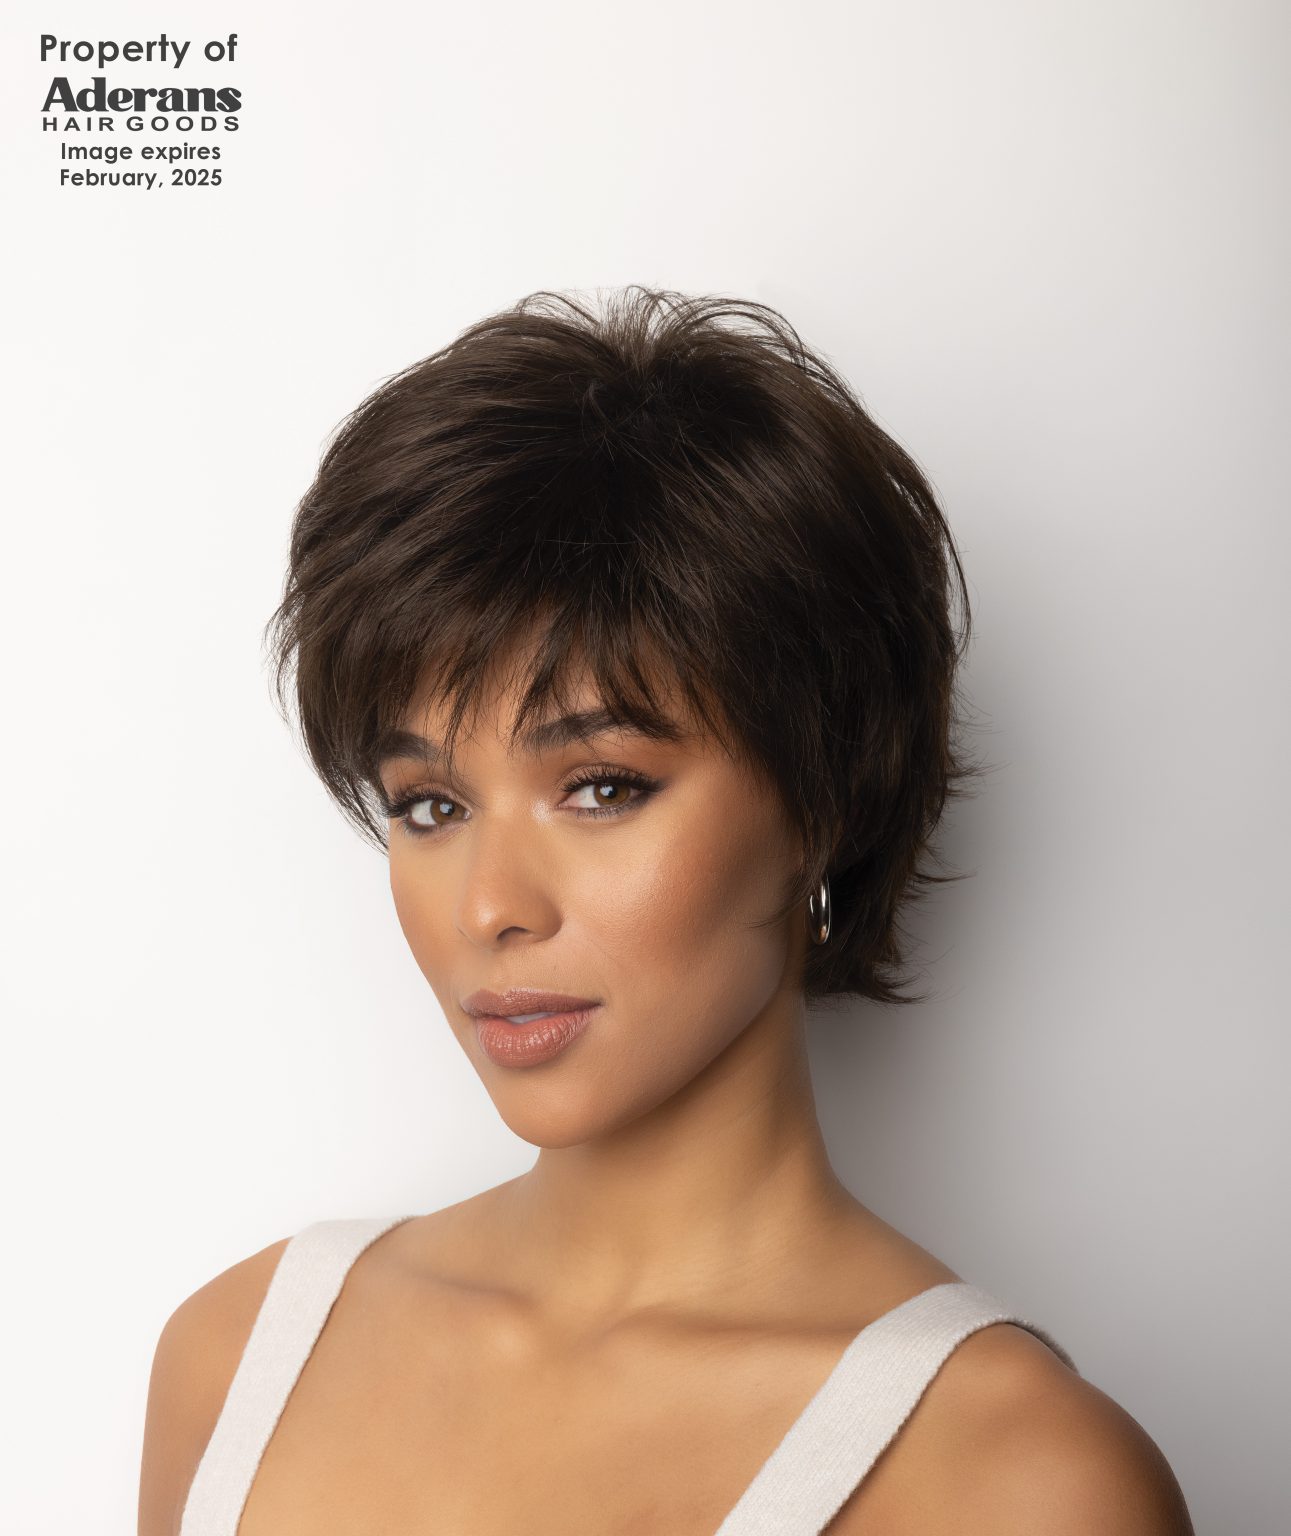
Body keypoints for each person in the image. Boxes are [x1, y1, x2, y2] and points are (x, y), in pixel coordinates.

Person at [138, 287, 1193, 1534]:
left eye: (601, 787)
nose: (488, 907)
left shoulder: (1015, 1481)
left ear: (821, 799)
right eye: (430, 804)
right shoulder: (240, 1359)